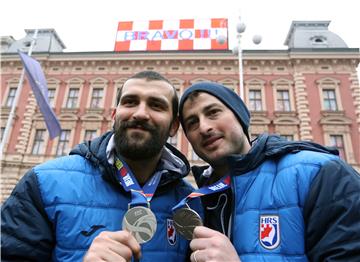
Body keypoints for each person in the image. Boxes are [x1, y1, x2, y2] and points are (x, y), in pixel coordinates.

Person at [1, 71, 202, 261]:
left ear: (174, 126)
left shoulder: (191, 204)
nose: (140, 113)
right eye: (130, 102)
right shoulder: (42, 184)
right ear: (114, 115)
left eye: (156, 105)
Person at [178, 81, 360, 262]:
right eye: (192, 123)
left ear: (240, 116)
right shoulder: (192, 201)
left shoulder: (321, 174)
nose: (203, 127)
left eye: (213, 112)